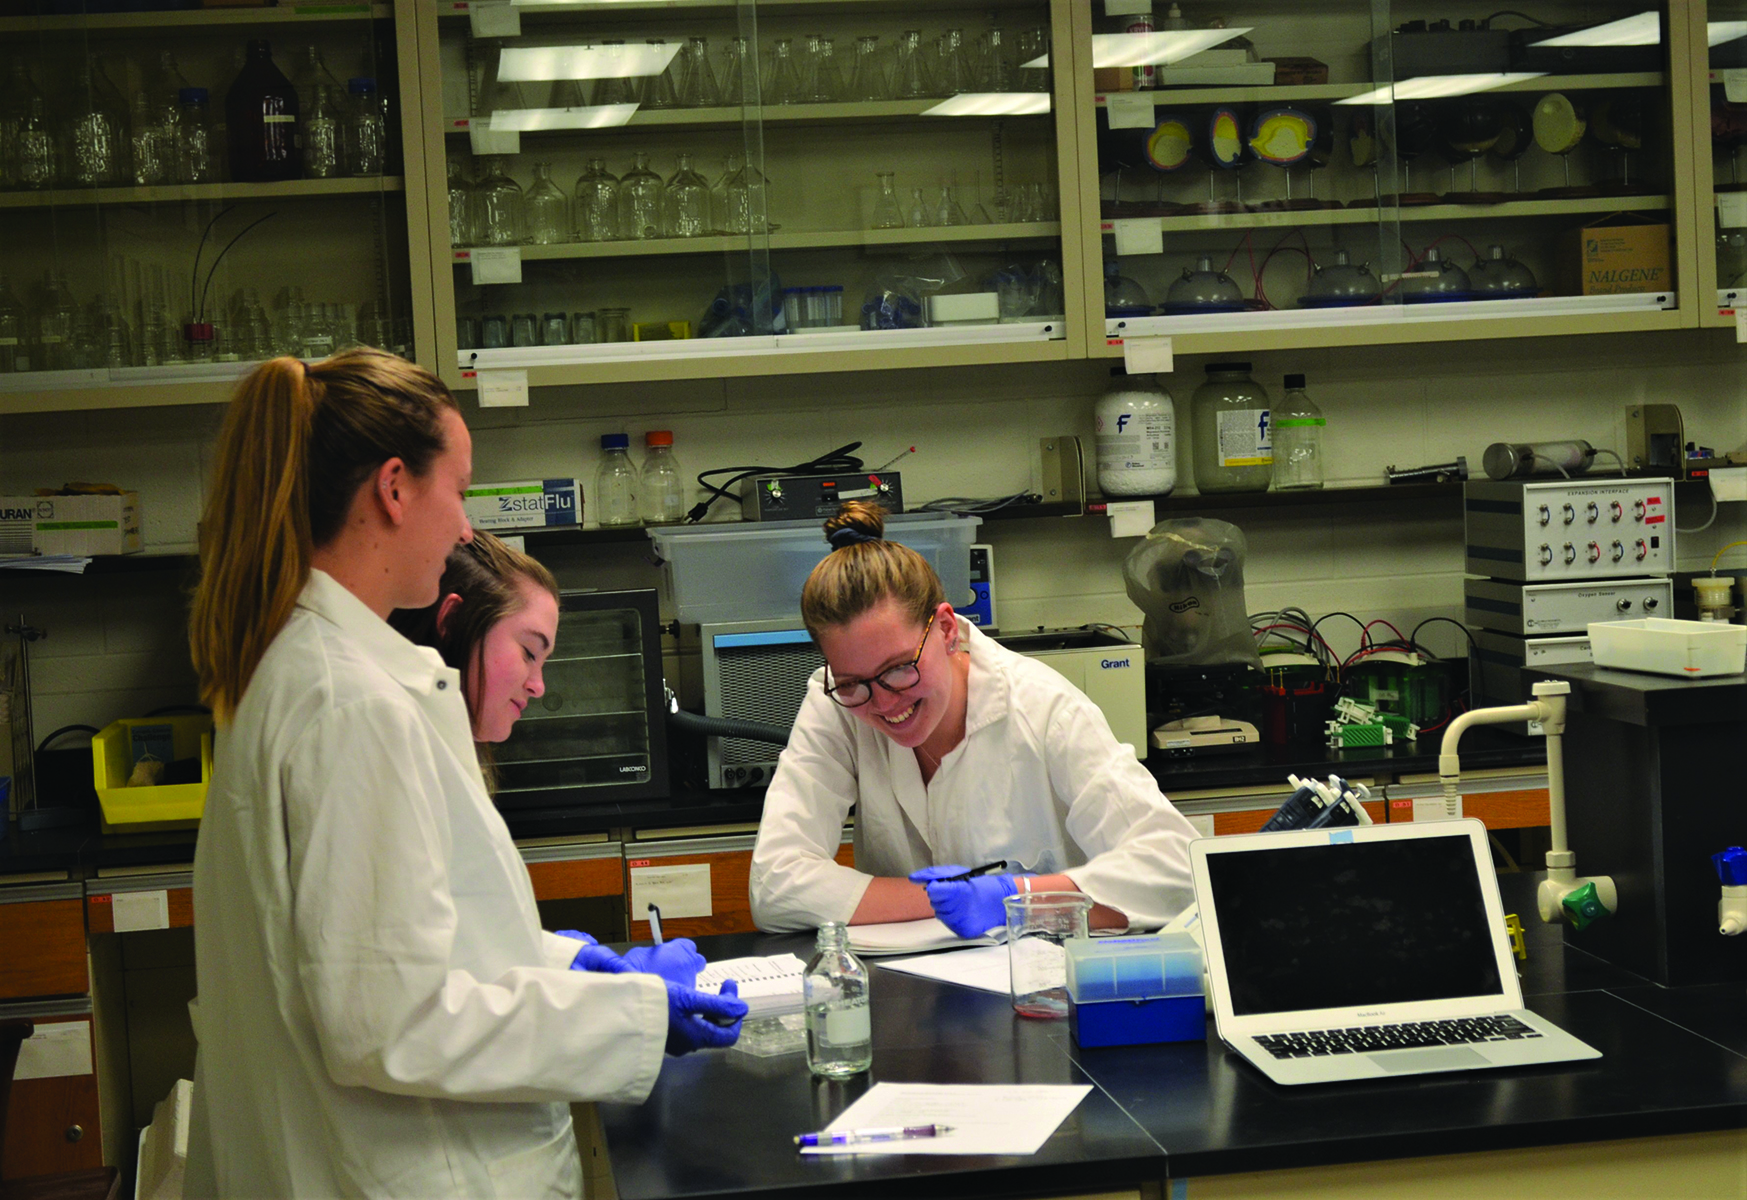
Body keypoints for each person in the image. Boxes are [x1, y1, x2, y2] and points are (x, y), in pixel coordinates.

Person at [183, 350, 744, 1199]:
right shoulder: (351, 704)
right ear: (396, 488)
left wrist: (565, 967)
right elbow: (388, 1022)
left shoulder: (307, 668)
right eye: (461, 489)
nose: (463, 529)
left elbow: (398, 952)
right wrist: (631, 1016)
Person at [749, 501, 1200, 938]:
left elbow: (1177, 867)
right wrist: (947, 900)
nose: (884, 702)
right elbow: (776, 884)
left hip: (1045, 988)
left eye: (899, 669)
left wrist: (1014, 894)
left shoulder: (1045, 710)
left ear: (946, 629)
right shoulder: (835, 703)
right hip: (911, 995)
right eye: (853, 682)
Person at [390, 532, 706, 978]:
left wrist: (565, 961)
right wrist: (618, 1002)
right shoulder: (396, 758)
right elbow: (429, 982)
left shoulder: (448, 756)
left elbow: (474, 945)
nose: (539, 686)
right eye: (527, 652)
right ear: (455, 620)